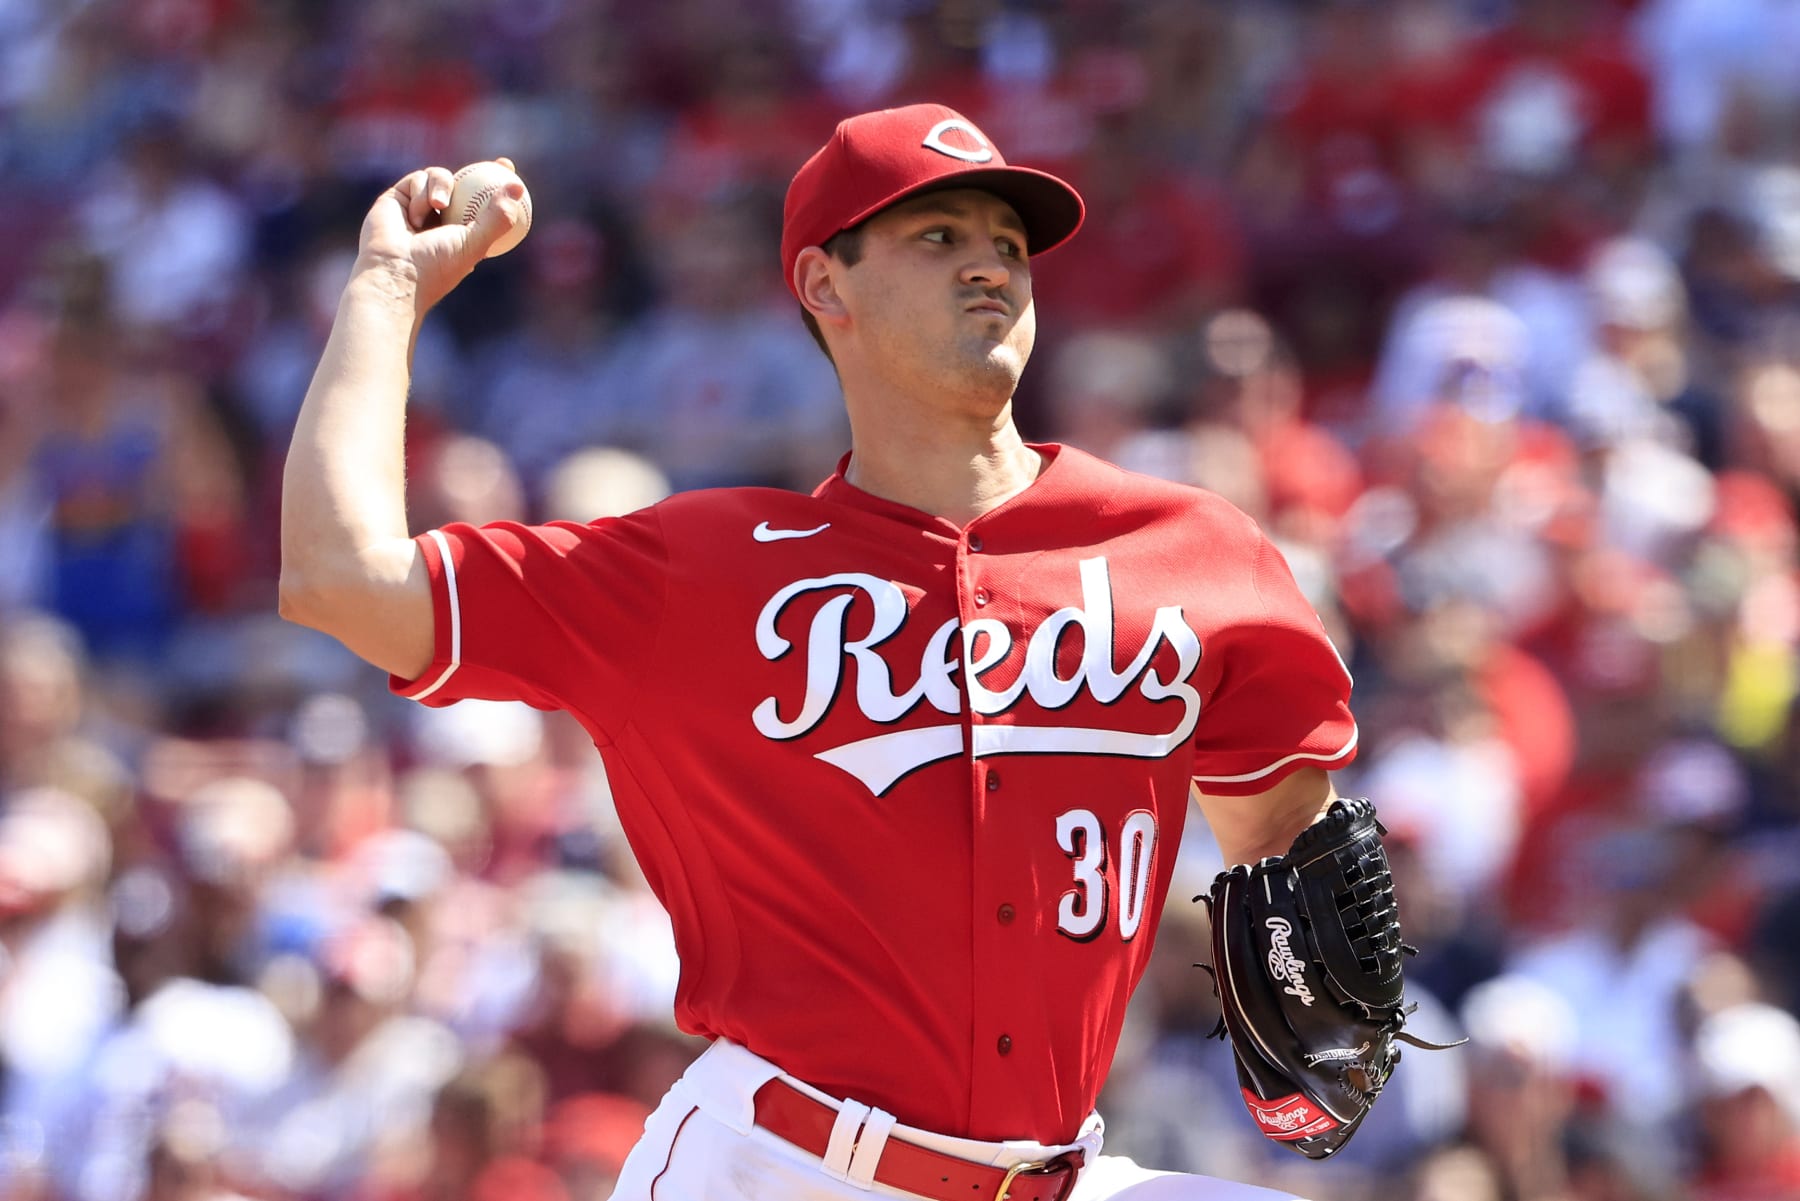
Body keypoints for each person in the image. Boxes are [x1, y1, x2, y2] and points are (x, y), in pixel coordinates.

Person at [280, 104, 1362, 1201]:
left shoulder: (1189, 552)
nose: (990, 266)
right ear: (823, 285)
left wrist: (1311, 978)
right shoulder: (701, 570)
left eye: (1007, 243)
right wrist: (385, 291)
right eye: (938, 238)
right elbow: (341, 577)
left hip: (1059, 1171)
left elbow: (1281, 822)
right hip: (780, 1164)